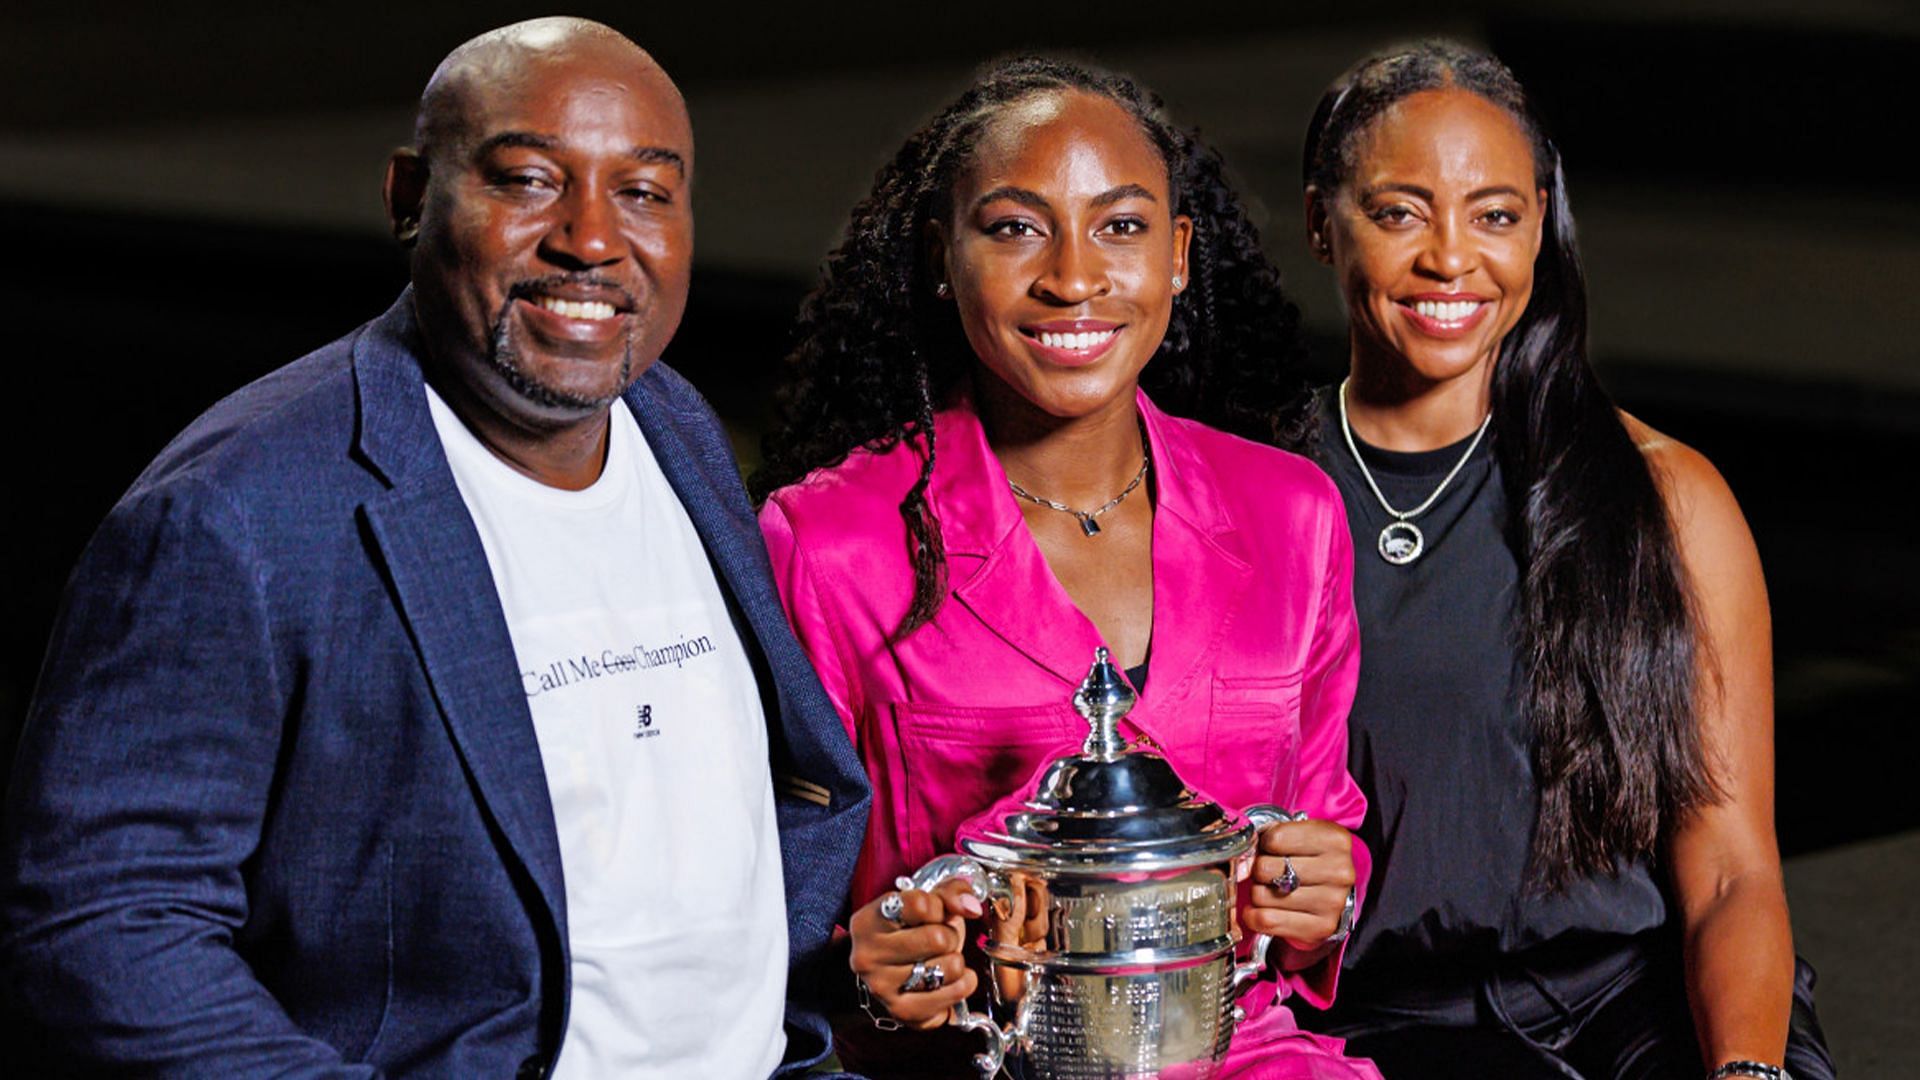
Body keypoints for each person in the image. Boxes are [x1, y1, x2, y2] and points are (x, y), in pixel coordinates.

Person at [0, 18, 867, 1079]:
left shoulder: (669, 421)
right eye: (530, 181)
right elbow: (103, 929)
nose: (592, 239)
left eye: (643, 192)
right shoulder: (238, 515)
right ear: (412, 198)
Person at [753, 57, 1378, 1079]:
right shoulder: (831, 543)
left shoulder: (1291, 515)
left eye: (1122, 226)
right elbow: (774, 898)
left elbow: (1324, 831)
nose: (1074, 276)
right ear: (940, 257)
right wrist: (856, 968)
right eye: (1013, 228)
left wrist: (1324, 892)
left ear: (1179, 255)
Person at [1291, 41, 1834, 1080]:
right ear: (1323, 223)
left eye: (1495, 215)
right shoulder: (1250, 499)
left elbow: (1730, 877)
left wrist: (1748, 1073)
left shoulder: (1664, 495)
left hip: (1633, 1002)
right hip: (1375, 1025)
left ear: (1542, 223)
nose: (1453, 258)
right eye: (1399, 212)